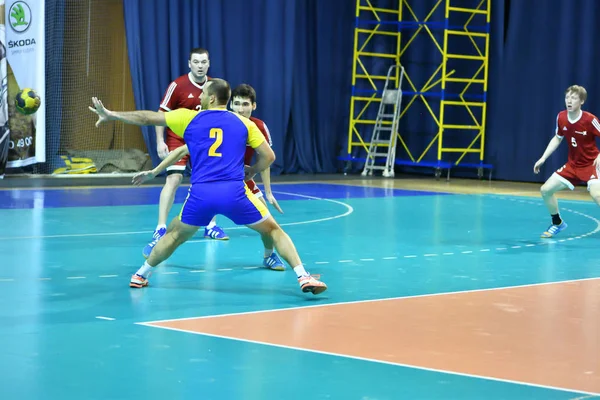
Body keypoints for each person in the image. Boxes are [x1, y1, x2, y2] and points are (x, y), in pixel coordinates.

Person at [88, 79, 327, 295]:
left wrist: (112, 114)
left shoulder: (189, 118)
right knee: (273, 230)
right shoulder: (244, 123)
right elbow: (269, 156)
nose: (200, 96)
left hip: (201, 194)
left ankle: (141, 274)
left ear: (211, 98)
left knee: (174, 235)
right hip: (234, 193)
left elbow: (148, 118)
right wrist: (252, 170)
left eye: (203, 93)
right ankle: (303, 276)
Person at [147, 47, 227, 260]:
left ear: (208, 64)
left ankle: (210, 225)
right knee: (173, 180)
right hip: (179, 138)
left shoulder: (214, 86)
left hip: (204, 141)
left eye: (204, 62)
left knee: (208, 182)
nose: (200, 65)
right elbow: (161, 114)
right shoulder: (178, 85)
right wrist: (160, 141)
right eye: (196, 62)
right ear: (189, 64)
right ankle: (161, 228)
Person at [229, 83, 285, 270]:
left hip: (242, 179)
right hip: (216, 180)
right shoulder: (222, 122)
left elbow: (265, 159)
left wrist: (268, 193)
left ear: (254, 106)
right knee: (185, 226)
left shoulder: (258, 126)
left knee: (269, 222)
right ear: (230, 105)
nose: (240, 109)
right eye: (236, 103)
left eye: (245, 104)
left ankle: (269, 256)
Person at [533, 85, 600, 237]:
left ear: (582, 101)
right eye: (567, 98)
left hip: (591, 165)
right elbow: (558, 138)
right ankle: (557, 223)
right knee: (545, 190)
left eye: (574, 98)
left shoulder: (590, 120)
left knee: (597, 195)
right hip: (573, 165)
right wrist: (543, 158)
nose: (569, 101)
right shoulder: (561, 117)